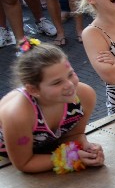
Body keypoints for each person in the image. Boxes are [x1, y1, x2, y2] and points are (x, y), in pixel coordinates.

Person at [0, 41, 104, 174]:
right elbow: (24, 163)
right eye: (57, 82)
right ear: (32, 89)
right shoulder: (18, 115)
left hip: (43, 149)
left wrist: (87, 149)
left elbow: (75, 135)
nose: (69, 85)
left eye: (70, 74)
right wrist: (71, 158)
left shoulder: (85, 96)